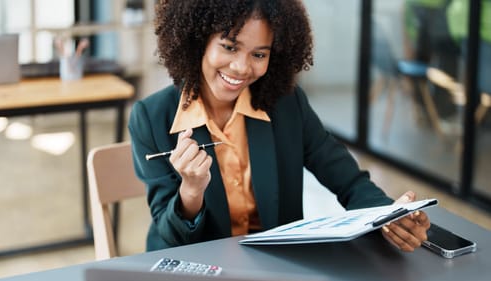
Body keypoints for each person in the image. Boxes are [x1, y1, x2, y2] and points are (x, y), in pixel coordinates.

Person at [128, 0, 430, 252]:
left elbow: (349, 182)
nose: (242, 68)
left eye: (259, 54)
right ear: (198, 41)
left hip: (276, 273)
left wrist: (389, 216)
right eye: (230, 47)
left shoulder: (286, 105)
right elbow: (170, 238)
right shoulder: (151, 118)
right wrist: (191, 192)